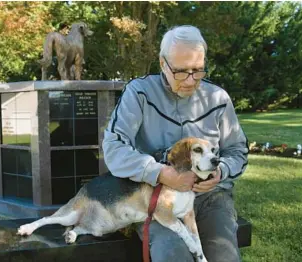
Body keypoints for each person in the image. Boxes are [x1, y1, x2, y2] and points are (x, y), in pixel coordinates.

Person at [102, 25, 248, 262]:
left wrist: (221, 171)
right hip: (156, 197)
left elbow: (238, 151)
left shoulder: (218, 98)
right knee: (174, 255)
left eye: (198, 70)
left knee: (224, 257)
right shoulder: (139, 93)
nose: (191, 81)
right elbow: (114, 147)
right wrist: (159, 173)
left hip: (211, 198)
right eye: (181, 72)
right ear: (163, 64)